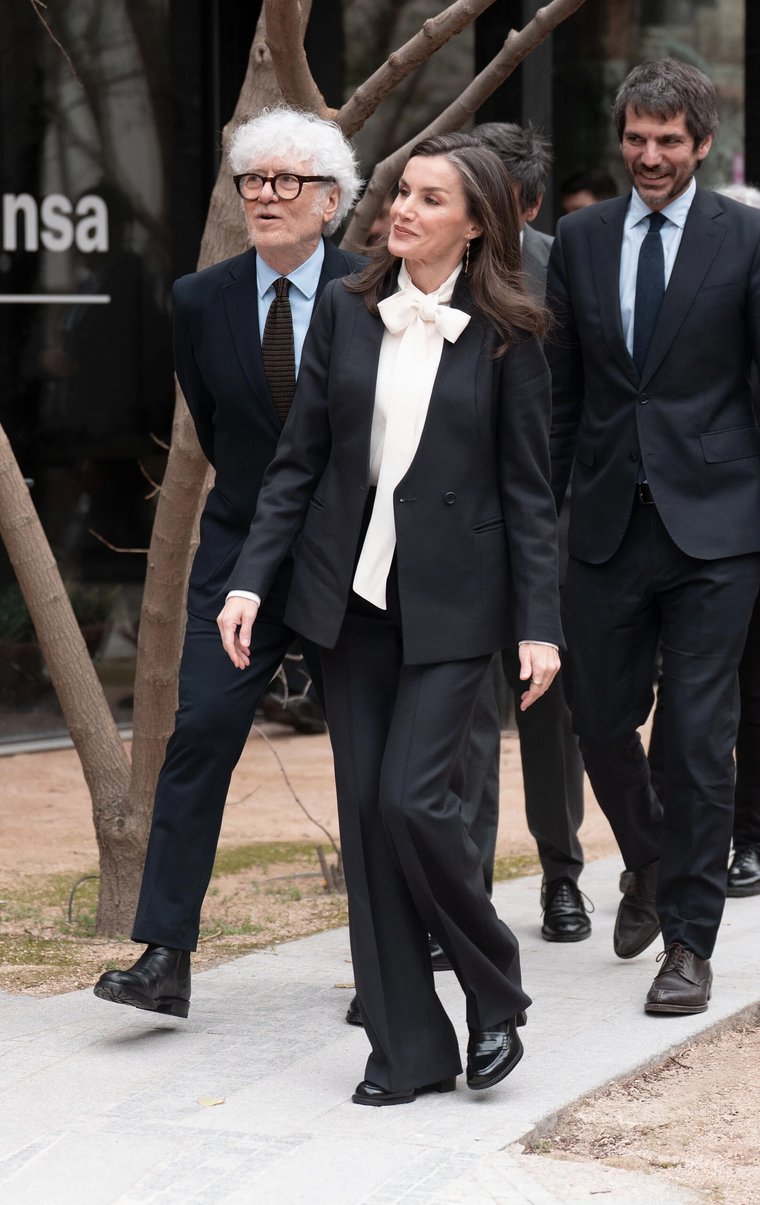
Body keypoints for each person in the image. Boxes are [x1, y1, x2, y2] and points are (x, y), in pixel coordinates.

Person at [219, 133, 562, 1102]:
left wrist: (539, 624)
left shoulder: (511, 333)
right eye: (402, 190)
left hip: (456, 606)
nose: (402, 208)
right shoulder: (345, 306)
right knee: (368, 827)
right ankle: (406, 1050)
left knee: (413, 800)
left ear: (476, 222)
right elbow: (299, 461)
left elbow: (531, 494)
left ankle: (494, 987)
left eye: (429, 198)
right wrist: (250, 581)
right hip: (350, 601)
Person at [93, 108, 364, 1017]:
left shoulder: (375, 288)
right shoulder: (199, 298)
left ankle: (392, 958)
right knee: (200, 731)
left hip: (356, 556)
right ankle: (164, 955)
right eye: (253, 180)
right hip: (240, 550)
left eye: (288, 181)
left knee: (369, 753)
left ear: (330, 201)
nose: (266, 196)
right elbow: (215, 426)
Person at [547, 57, 760, 1016]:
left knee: (699, 738)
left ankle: (688, 944)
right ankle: (648, 855)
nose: (649, 155)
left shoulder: (744, 237)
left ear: (702, 144)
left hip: (718, 527)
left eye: (668, 140)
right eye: (636, 138)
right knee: (597, 718)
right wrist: (548, 512)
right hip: (603, 523)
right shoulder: (581, 238)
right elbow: (563, 391)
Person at [466, 121, 590, 944]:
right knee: (465, 718)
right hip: (457, 526)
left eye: (497, 200)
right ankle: (466, 896)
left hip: (551, 518)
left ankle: (561, 875)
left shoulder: (562, 270)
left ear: (531, 206)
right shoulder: (428, 269)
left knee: (553, 712)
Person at [647, 181, 760, 901]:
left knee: (747, 690)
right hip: (706, 514)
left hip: (740, 515)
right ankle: (671, 842)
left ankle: (748, 836)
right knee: (695, 695)